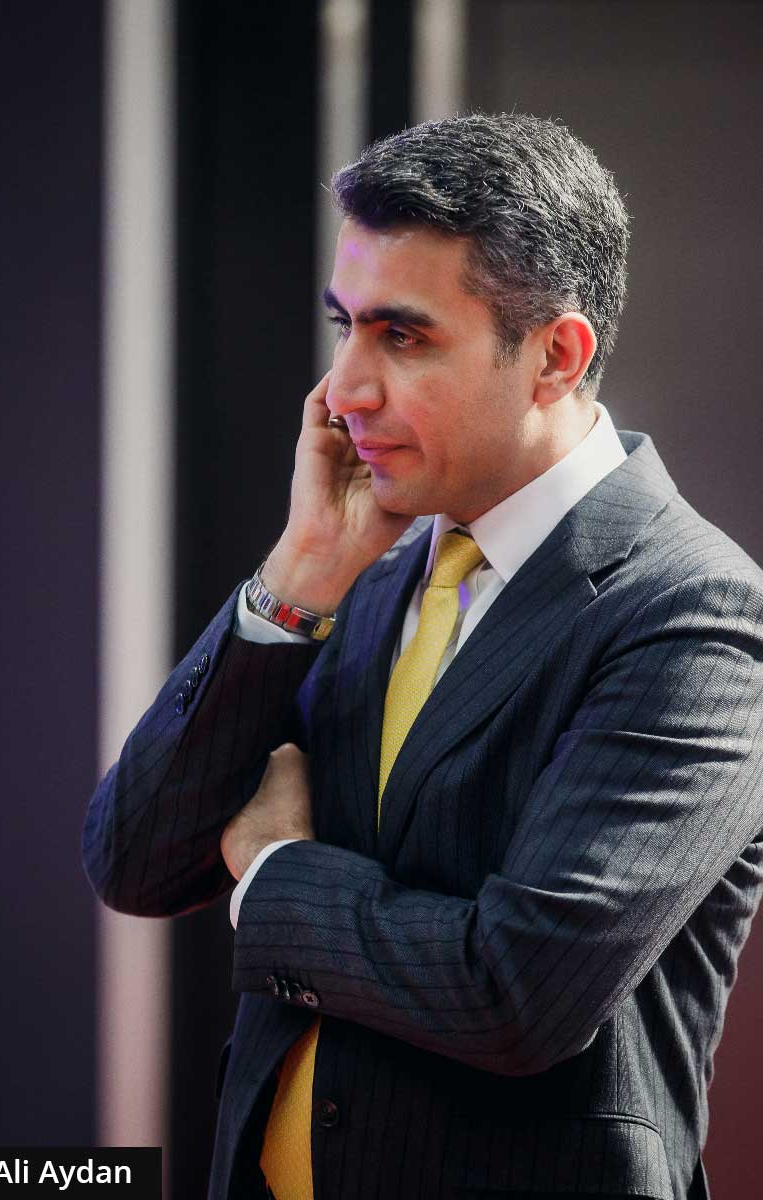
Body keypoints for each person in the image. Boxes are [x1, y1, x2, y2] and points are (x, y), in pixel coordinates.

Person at [83, 113, 763, 1200]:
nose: (344, 389)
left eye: (399, 337)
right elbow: (133, 860)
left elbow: (511, 995)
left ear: (555, 356)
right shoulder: (362, 563)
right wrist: (299, 574)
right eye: (342, 326)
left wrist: (272, 878)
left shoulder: (691, 611)